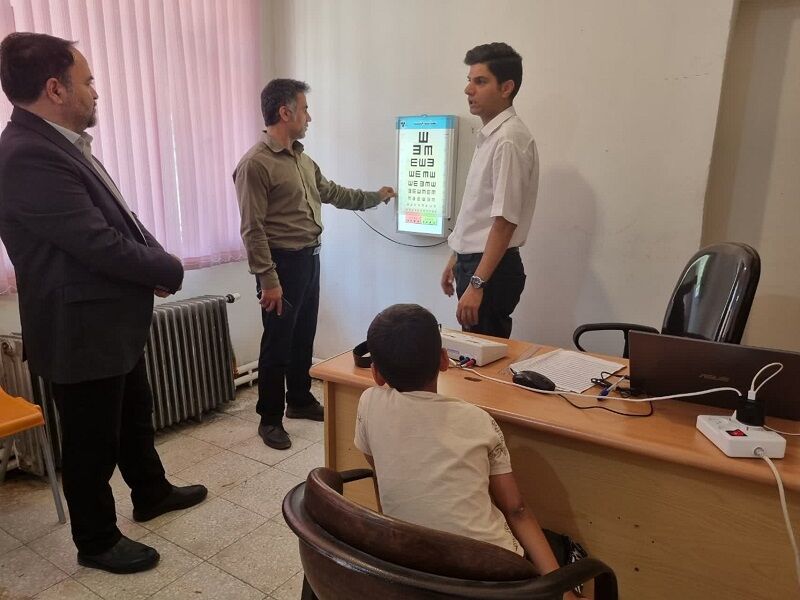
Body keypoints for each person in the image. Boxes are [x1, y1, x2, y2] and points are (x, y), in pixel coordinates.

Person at [0, 32, 207, 574]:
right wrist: (165, 268)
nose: (96, 91)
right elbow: (95, 242)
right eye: (88, 81)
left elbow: (122, 220)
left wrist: (157, 260)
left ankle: (151, 491)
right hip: (79, 329)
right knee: (91, 442)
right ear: (55, 89)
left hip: (108, 320)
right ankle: (95, 540)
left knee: (134, 414)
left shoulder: (62, 144)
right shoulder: (26, 155)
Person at [355, 304, 580, 600]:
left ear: (375, 373)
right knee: (566, 548)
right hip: (493, 576)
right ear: (444, 360)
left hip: (411, 569)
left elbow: (380, 471)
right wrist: (563, 592)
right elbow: (516, 510)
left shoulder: (368, 403)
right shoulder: (477, 420)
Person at [234, 78, 395, 450]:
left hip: (309, 259)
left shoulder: (302, 160)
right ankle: (270, 418)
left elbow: (332, 192)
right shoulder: (255, 164)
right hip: (280, 266)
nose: (309, 117)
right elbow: (252, 229)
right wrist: (268, 280)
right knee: (277, 343)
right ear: (285, 112)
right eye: (304, 109)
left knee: (303, 335)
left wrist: (375, 196)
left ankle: (300, 399)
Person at [441, 42, 539, 339]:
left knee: (483, 358)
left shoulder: (508, 139)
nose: (468, 89)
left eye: (481, 81)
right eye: (469, 80)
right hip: (476, 262)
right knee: (474, 351)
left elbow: (504, 221)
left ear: (506, 87)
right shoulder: (492, 136)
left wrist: (477, 283)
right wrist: (456, 257)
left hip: (490, 270)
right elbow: (478, 210)